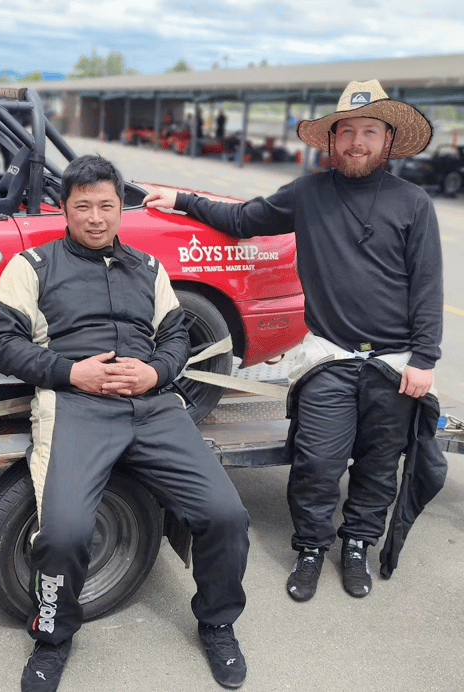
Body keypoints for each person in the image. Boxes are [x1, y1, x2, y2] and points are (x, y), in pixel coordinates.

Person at [144, 79, 445, 603]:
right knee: (316, 463)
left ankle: (356, 545)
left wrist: (424, 359)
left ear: (387, 138)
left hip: (394, 364)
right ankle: (310, 547)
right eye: (346, 131)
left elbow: (427, 285)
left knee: (378, 465)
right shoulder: (307, 193)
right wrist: (181, 199)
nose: (356, 141)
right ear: (332, 139)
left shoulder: (413, 203)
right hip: (327, 356)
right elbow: (243, 218)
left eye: (368, 131)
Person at [0, 155, 250, 691]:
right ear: (64, 209)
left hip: (152, 407)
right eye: (82, 206)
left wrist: (155, 372)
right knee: (63, 534)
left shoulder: (149, 270)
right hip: (76, 406)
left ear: (120, 208)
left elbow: (177, 336)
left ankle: (218, 622)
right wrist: (69, 371)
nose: (95, 217)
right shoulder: (32, 267)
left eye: (106, 205)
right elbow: (2, 343)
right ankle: (52, 636)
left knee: (226, 515)